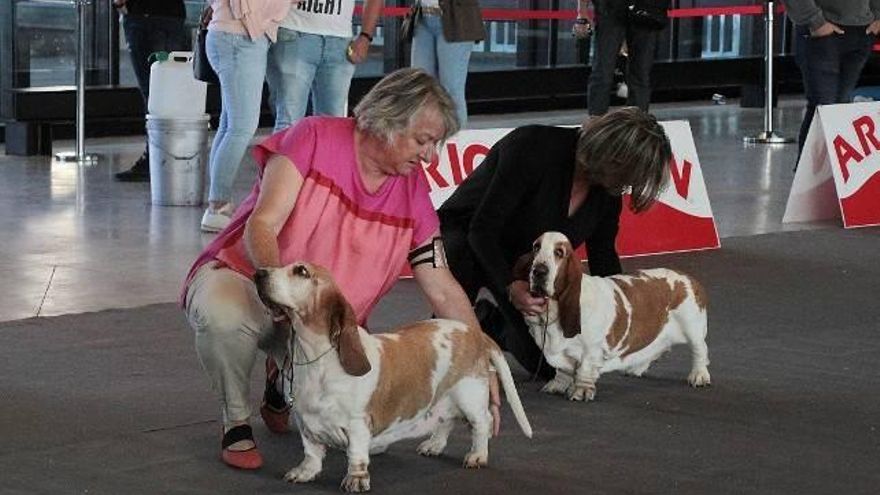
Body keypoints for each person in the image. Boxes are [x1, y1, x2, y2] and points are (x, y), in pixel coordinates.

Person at [182, 68, 486, 470]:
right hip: (251, 280)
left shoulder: (414, 194)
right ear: (387, 123)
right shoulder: (312, 138)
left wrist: (479, 361)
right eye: (423, 141)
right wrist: (281, 295)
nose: (430, 156)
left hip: (324, 324)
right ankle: (236, 421)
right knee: (224, 315)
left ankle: (283, 382)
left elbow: (443, 289)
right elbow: (263, 223)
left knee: (370, 440)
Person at [438, 107, 672, 376]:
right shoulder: (533, 147)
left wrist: (628, 314)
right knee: (449, 355)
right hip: (469, 238)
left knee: (551, 365)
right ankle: (447, 328)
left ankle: (487, 321)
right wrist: (509, 287)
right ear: (614, 158)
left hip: (524, 261)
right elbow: (482, 229)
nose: (629, 186)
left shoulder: (607, 193)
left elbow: (604, 258)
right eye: (630, 176)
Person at [199, 0, 292, 233]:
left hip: (226, 35)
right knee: (241, 127)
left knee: (230, 125)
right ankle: (217, 206)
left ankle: (218, 202)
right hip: (240, 38)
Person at [265, 0, 383, 132]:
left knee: (332, 126)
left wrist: (366, 36)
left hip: (339, 40)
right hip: (295, 31)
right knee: (288, 122)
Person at [786, 0, 880, 154]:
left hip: (861, 30)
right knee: (823, 108)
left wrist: (877, 14)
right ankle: (809, 175)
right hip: (822, 31)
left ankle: (832, 174)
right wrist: (815, 22)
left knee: (839, 108)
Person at [112, 0, 189, 182]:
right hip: (172, 15)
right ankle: (174, 157)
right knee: (168, 89)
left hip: (145, 16)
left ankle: (156, 159)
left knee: (153, 91)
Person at [577, 0, 666, 116]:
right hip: (610, 10)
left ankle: (636, 124)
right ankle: (597, 124)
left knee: (640, 74)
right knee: (603, 73)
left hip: (646, 8)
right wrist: (582, 12)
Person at [410, 0, 485, 128]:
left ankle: (455, 141)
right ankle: (425, 140)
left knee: (450, 90)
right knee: (420, 87)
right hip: (422, 16)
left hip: (457, 17)